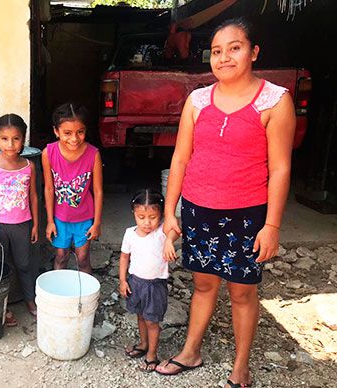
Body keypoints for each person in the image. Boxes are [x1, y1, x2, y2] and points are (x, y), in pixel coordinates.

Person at [154, 18, 296, 388]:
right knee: (203, 285)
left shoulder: (275, 101)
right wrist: (170, 212)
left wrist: (272, 225)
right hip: (199, 210)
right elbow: (180, 159)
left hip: (247, 216)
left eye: (234, 48)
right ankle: (191, 351)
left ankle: (241, 366)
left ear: (253, 52)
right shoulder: (197, 100)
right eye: (216, 51)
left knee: (242, 292)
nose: (224, 57)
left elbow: (280, 169)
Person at [0, 113, 39, 325]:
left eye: (16, 138)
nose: (10, 144)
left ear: (23, 139)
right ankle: (2, 307)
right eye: (5, 139)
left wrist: (35, 224)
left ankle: (30, 300)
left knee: (25, 264)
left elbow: (33, 196)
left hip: (22, 224)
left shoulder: (28, 166)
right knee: (1, 268)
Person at [120, 189, 179, 372]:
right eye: (141, 216)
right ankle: (144, 344)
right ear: (134, 214)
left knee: (152, 321)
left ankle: (152, 355)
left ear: (161, 215)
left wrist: (169, 241)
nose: (147, 222)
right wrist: (123, 280)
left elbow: (176, 230)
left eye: (152, 217)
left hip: (155, 286)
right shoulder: (130, 233)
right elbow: (124, 258)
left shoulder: (162, 232)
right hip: (135, 282)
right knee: (140, 315)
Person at [42, 103, 103, 273]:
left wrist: (97, 223)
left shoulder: (93, 154)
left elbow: (98, 191)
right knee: (61, 257)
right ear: (56, 131)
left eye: (80, 132)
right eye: (67, 133)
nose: (74, 138)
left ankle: (87, 298)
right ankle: (58, 296)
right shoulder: (48, 153)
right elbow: (48, 188)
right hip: (59, 218)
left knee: (82, 259)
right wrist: (49, 221)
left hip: (84, 218)